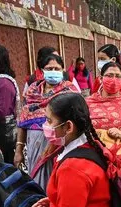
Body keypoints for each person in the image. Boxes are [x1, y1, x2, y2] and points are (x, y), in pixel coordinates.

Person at [16, 54, 79, 190]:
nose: (53, 71)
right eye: (49, 68)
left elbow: (75, 123)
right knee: (35, 181)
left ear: (63, 70)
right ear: (42, 70)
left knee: (56, 181)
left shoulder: (70, 92)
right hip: (32, 145)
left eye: (57, 68)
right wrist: (19, 149)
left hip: (58, 145)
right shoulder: (32, 91)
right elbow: (22, 121)